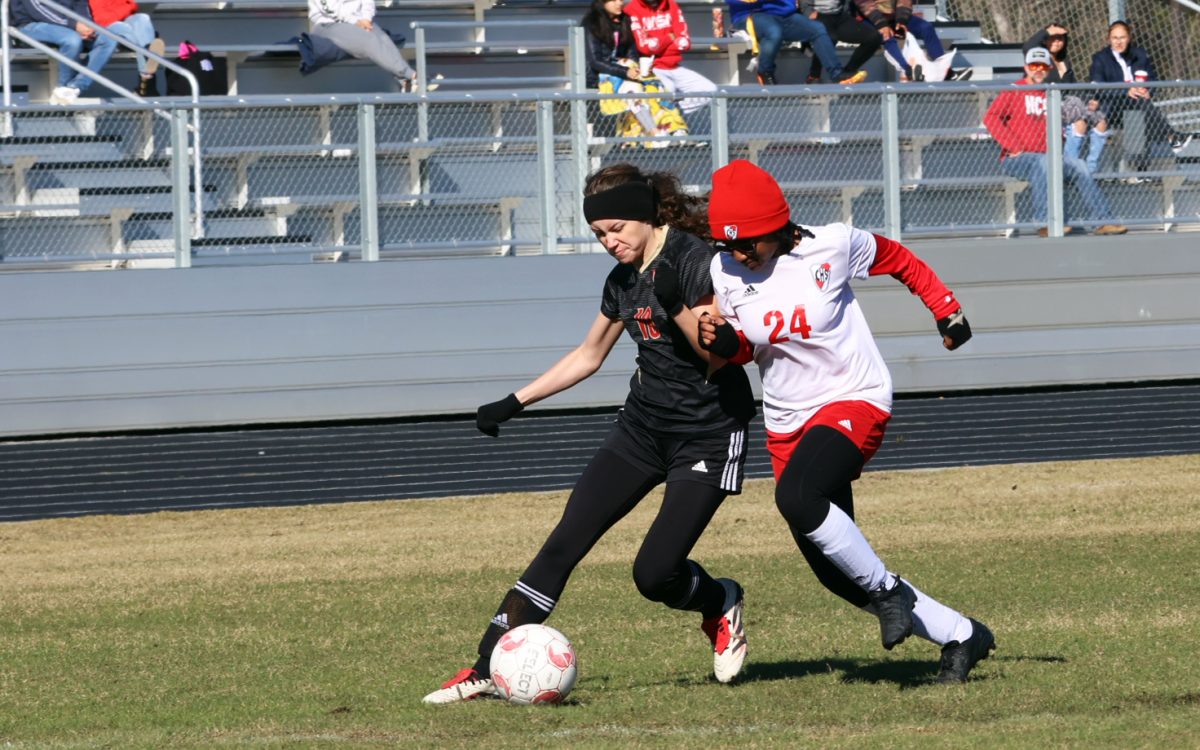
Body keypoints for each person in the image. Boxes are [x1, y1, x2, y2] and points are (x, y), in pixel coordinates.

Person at [423, 164, 756, 703]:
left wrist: (673, 304)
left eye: (618, 228)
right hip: (642, 428)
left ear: (647, 215)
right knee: (563, 543)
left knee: (654, 575)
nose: (610, 241)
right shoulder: (622, 280)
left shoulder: (697, 263)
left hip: (708, 433)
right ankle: (485, 666)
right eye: (600, 234)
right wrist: (514, 402)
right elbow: (588, 355)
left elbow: (716, 357)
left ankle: (719, 600)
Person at [698, 159, 994, 684]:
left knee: (796, 498)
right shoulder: (725, 271)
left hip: (853, 397)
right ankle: (962, 634)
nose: (739, 254)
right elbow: (749, 348)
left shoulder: (831, 245)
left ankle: (887, 593)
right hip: (787, 420)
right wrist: (725, 344)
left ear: (777, 227)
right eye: (729, 244)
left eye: (748, 243)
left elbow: (898, 257)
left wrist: (945, 309)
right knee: (838, 572)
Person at [984, 48, 1127, 237]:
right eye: (1034, 66)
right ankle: (1045, 223)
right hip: (1017, 158)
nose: (1038, 70)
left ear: (1049, 68)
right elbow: (991, 117)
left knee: (1080, 165)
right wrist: (1014, 146)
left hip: (1050, 158)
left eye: (1043, 66)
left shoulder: (1051, 94)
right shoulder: (1014, 90)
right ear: (1026, 67)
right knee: (1043, 162)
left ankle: (1103, 221)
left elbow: (1071, 118)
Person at [583, 0, 689, 144]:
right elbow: (595, 61)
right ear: (602, 3)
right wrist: (625, 71)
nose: (619, 3)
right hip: (600, 75)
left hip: (623, 70)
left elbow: (632, 53)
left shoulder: (625, 20)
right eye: (613, 0)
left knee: (655, 83)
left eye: (620, 0)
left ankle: (674, 128)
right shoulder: (591, 24)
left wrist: (639, 67)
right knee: (632, 89)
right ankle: (654, 132)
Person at [1088, 21, 1193, 161]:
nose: (1119, 42)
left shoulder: (1139, 54)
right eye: (1115, 38)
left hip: (1138, 103)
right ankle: (1171, 137)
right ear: (1109, 39)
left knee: (1140, 104)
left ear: (1129, 38)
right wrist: (1125, 91)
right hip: (1113, 105)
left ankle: (1142, 167)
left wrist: (1148, 90)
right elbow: (1098, 87)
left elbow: (1153, 79)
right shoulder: (1100, 58)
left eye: (1122, 37)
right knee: (1140, 104)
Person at [1024, 23, 1108, 173]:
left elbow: (1072, 87)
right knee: (1080, 124)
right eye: (1053, 38)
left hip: (1069, 104)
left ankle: (1091, 169)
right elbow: (1027, 47)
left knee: (1100, 122)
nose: (1057, 42)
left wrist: (1089, 101)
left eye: (1060, 38)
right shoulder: (1039, 58)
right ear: (1044, 40)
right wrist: (1047, 30)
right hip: (1049, 103)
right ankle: (1069, 169)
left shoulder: (1065, 60)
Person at [725, 0, 866, 85]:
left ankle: (837, 74)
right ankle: (765, 71)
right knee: (774, 32)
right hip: (750, 15)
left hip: (784, 15)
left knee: (817, 29)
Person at [11, 0, 118, 104]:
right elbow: (38, 9)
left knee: (108, 39)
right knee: (72, 40)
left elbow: (81, 4)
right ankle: (62, 87)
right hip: (30, 24)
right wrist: (74, 25)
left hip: (68, 26)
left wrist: (86, 24)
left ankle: (74, 87)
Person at [625, 0, 716, 118]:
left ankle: (674, 112)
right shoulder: (632, 8)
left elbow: (684, 42)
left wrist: (658, 45)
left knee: (711, 90)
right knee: (668, 91)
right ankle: (669, 119)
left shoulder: (671, 4)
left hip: (674, 65)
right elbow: (645, 48)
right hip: (652, 69)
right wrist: (670, 37)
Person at [307, 0, 417, 93]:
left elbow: (368, 2)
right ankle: (410, 75)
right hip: (328, 24)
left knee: (384, 39)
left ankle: (405, 80)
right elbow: (329, 8)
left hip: (360, 21)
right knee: (370, 40)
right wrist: (356, 21)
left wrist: (366, 18)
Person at [851, 0, 969, 82]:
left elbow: (905, 1)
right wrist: (882, 24)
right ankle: (908, 71)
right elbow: (864, 4)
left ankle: (947, 73)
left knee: (926, 28)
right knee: (887, 36)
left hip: (894, 17)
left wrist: (902, 20)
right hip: (869, 19)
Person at [88, 0, 166, 97]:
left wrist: (129, 7)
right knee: (124, 28)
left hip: (125, 21)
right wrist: (130, 6)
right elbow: (103, 20)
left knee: (143, 18)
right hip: (104, 29)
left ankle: (146, 58)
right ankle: (148, 84)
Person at [800, 0, 879, 85]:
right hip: (818, 15)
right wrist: (808, 12)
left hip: (840, 15)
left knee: (874, 37)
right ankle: (813, 76)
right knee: (828, 38)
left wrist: (881, 23)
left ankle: (847, 73)